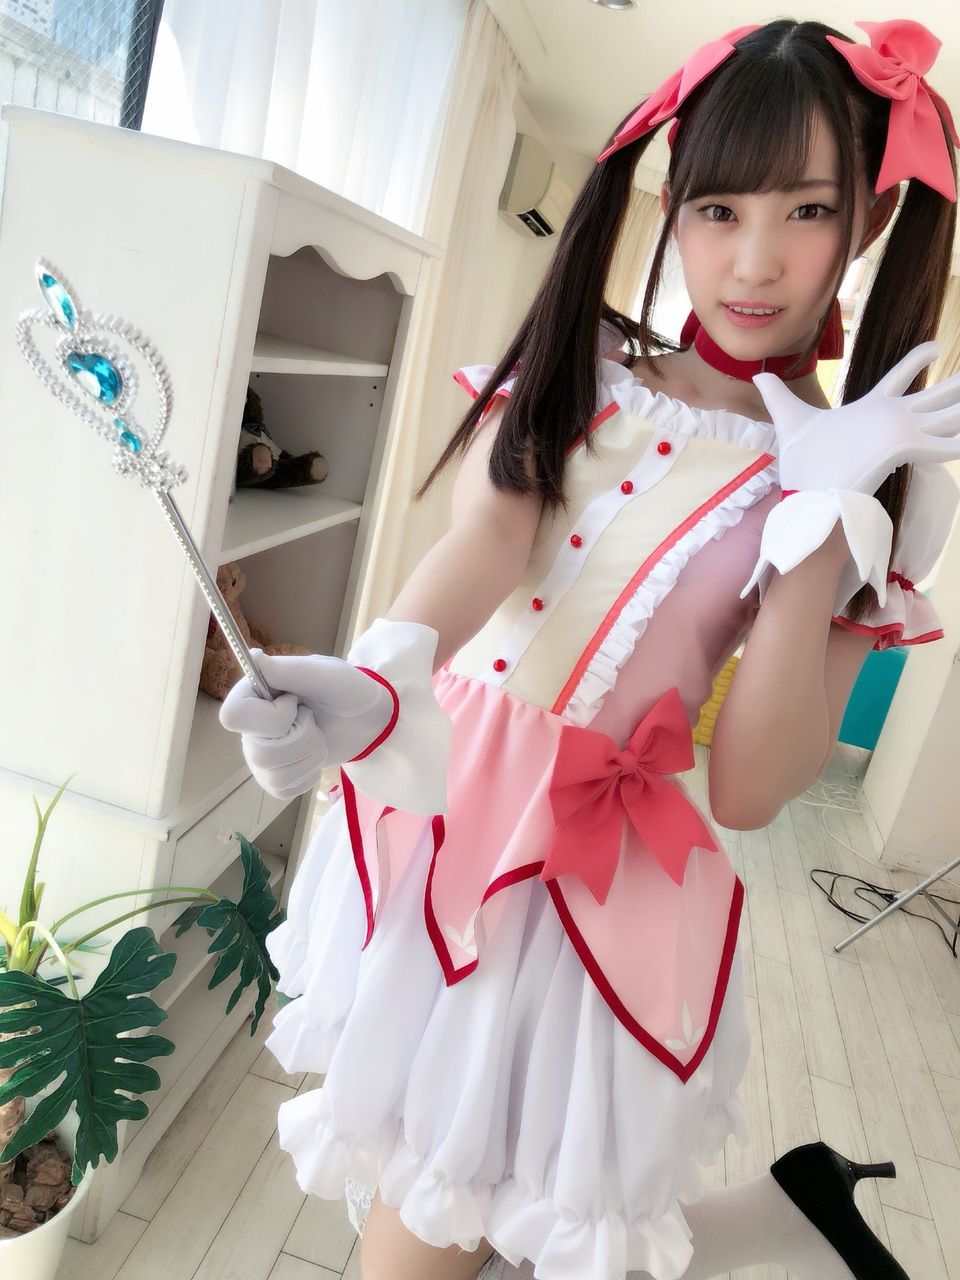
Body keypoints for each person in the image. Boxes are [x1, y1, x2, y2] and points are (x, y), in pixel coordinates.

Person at [218, 17, 960, 1280]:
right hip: (444, 810)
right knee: (488, 1197)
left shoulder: (871, 482)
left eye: (808, 209)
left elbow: (751, 786)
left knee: (459, 1208)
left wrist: (825, 512)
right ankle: (791, 1213)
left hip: (583, 877)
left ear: (873, 215)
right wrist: (381, 671)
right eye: (718, 208)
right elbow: (493, 534)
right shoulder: (589, 361)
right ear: (671, 197)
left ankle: (787, 1213)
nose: (756, 260)